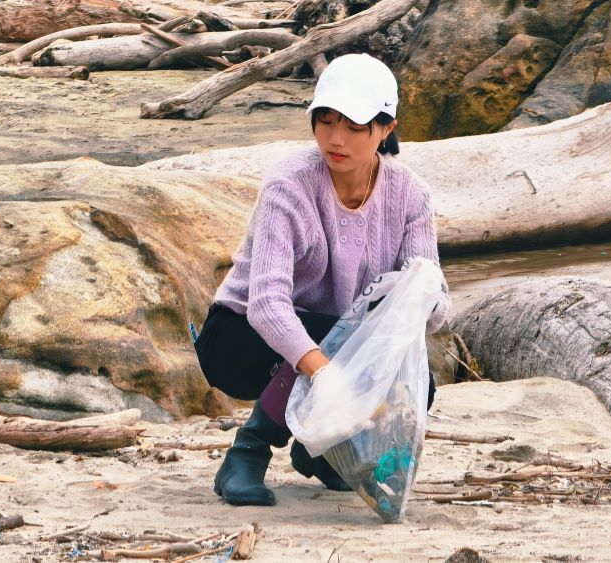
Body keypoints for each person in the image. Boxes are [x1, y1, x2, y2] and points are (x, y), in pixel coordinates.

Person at [193, 53, 451, 507]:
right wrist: (327, 373)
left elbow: (433, 307)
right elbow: (267, 305)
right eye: (325, 121)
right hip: (240, 335)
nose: (336, 139)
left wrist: (423, 299)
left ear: (386, 128)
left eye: (354, 127)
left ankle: (322, 454)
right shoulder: (288, 186)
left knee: (418, 381)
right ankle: (247, 453)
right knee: (324, 338)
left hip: (335, 336)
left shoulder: (410, 195)